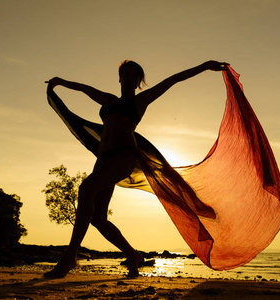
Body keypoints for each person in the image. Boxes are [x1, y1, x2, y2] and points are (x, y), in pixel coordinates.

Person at [44, 59, 228, 278]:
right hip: (103, 158)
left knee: (86, 189)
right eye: (126, 75)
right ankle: (133, 254)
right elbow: (85, 89)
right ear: (120, 78)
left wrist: (205, 66)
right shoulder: (109, 100)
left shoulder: (140, 101)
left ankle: (69, 257)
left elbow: (173, 80)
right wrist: (60, 82)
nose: (130, 79)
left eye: (135, 76)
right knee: (98, 219)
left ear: (139, 81)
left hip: (125, 156)